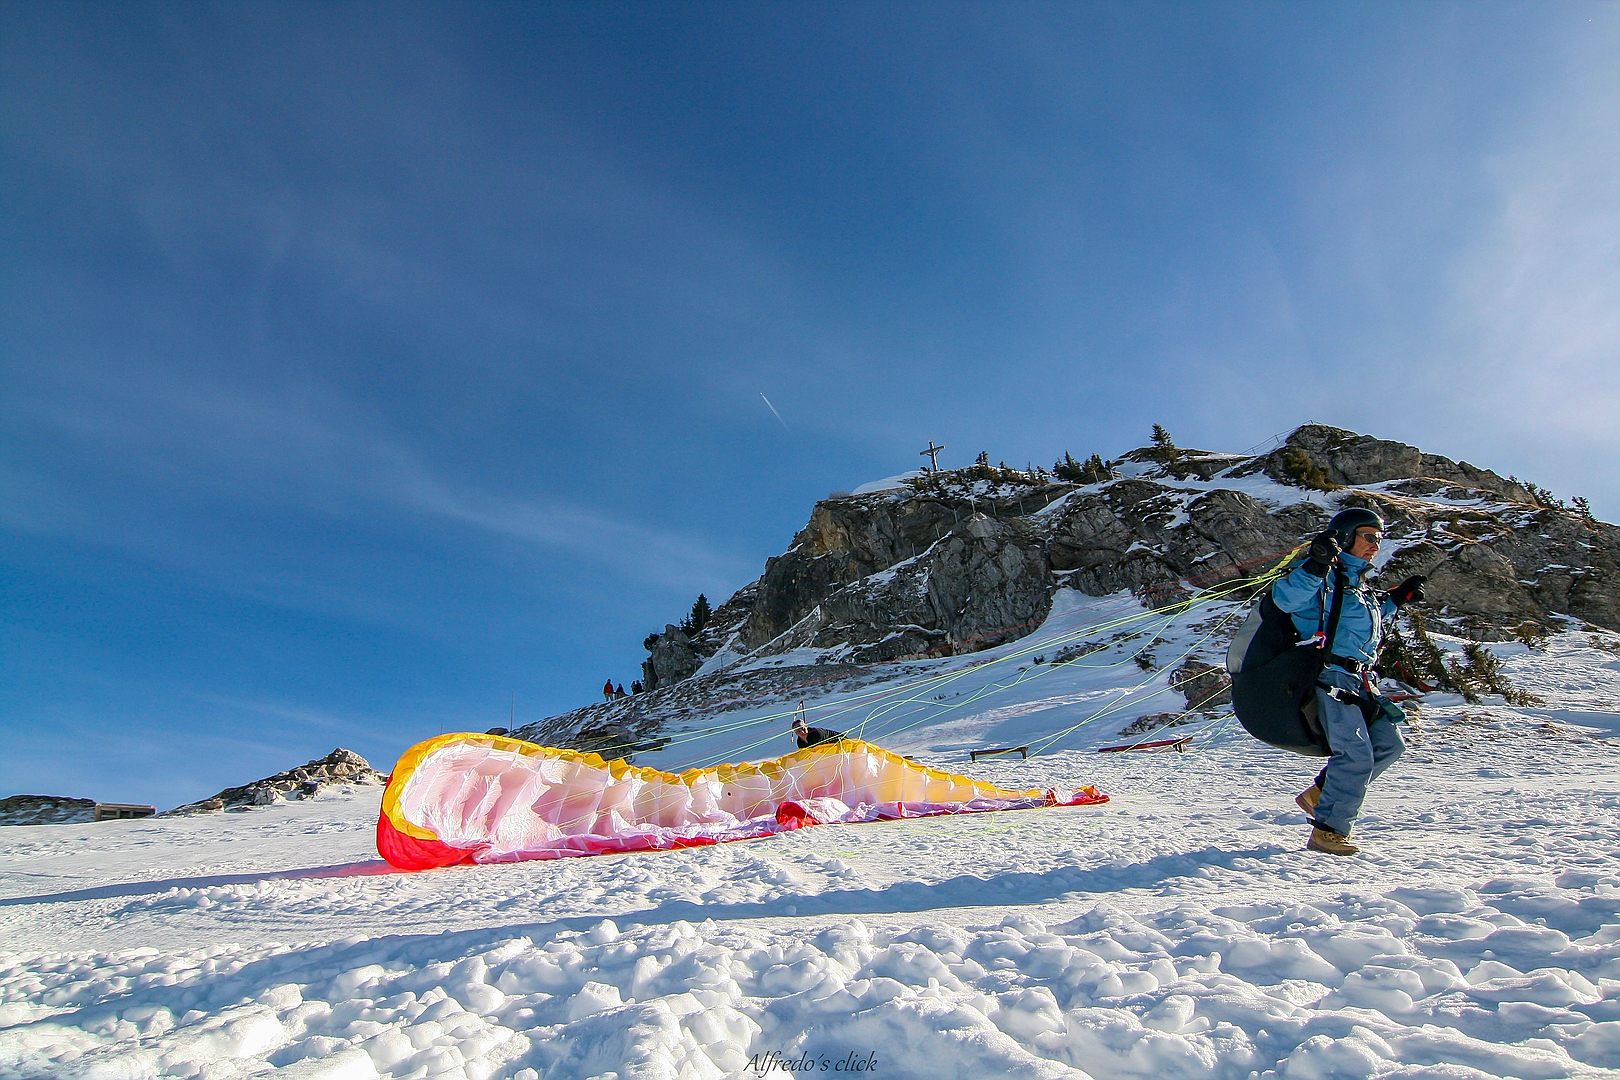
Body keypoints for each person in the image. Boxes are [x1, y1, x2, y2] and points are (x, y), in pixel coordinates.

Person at [1270, 507, 1426, 856]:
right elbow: (1285, 599)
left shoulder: (1359, 587)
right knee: (1355, 755)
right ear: (1345, 536)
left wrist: (1398, 598)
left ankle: (1321, 794)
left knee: (1389, 745)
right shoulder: (1323, 578)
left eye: (1379, 539)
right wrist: (1315, 564)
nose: (1375, 544)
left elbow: (1365, 614)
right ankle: (1328, 831)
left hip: (1361, 681)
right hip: (1329, 678)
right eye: (1369, 536)